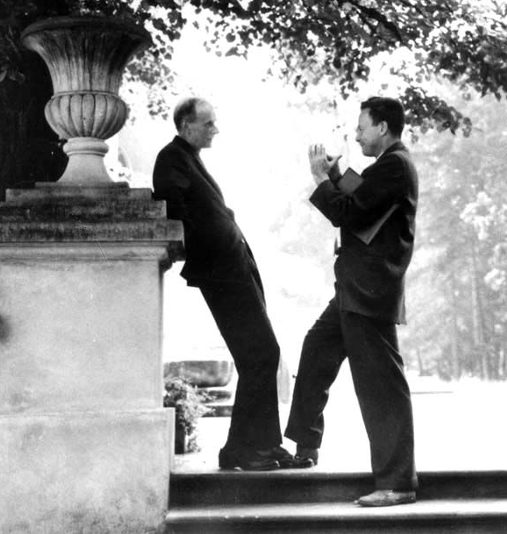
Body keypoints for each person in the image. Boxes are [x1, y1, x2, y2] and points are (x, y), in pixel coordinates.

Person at [152, 97, 313, 471]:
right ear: (186, 124)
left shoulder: (187, 157)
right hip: (221, 274)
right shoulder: (171, 158)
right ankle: (243, 451)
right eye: (208, 124)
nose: (215, 130)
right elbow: (175, 212)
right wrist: (211, 245)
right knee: (260, 354)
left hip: (233, 271)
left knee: (262, 355)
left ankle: (264, 445)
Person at [285, 96, 419, 507]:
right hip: (355, 289)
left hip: (368, 293)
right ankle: (305, 446)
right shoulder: (390, 166)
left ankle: (397, 484)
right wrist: (338, 172)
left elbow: (351, 213)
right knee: (317, 349)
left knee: (380, 387)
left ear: (382, 127)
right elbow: (365, 198)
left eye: (361, 127)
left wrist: (320, 179)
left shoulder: (395, 164)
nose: (356, 134)